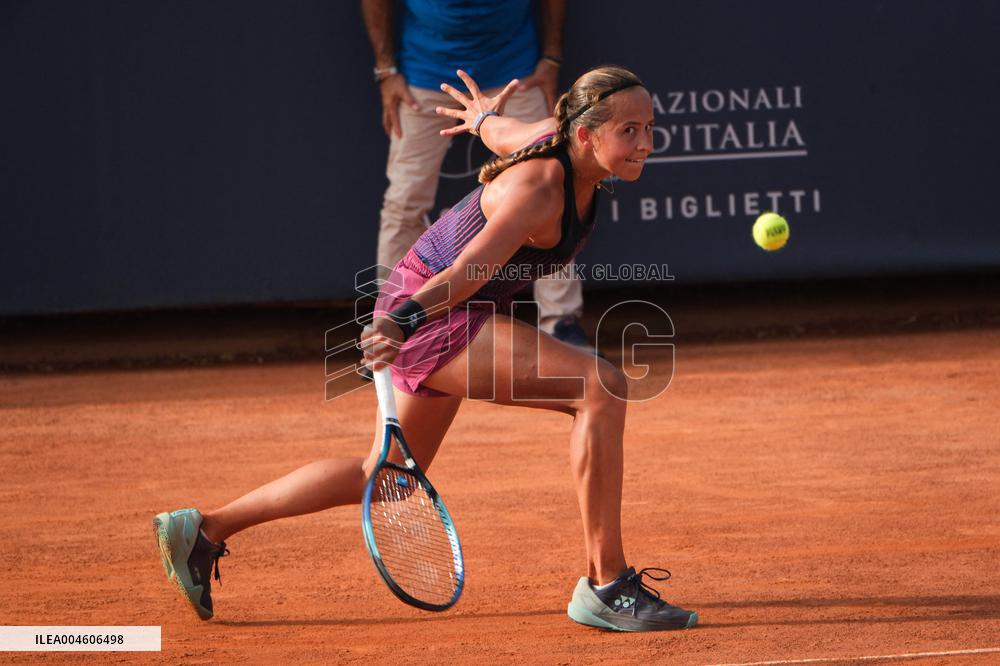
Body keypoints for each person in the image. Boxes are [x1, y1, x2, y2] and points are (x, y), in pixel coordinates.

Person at [153, 66, 698, 632]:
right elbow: (465, 273)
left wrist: (482, 118)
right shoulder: (539, 189)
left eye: (649, 128)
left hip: (438, 305)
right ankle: (607, 584)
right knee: (601, 388)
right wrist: (401, 322)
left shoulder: (555, 138)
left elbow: (500, 133)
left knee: (384, 476)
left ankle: (205, 528)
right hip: (433, 307)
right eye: (629, 131)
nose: (645, 143)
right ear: (585, 134)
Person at [361, 0, 592, 348]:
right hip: (424, 75)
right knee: (403, 201)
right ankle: (388, 332)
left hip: (515, 74)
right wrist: (386, 71)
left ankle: (561, 323)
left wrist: (551, 59)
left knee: (554, 187)